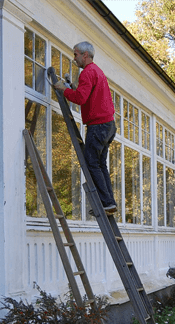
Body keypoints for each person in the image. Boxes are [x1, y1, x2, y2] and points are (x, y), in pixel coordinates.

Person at [54, 41, 117, 215]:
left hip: (98, 126)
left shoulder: (87, 72)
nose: (74, 58)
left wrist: (63, 90)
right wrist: (72, 88)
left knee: (91, 163)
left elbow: (81, 98)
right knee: (100, 164)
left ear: (85, 55)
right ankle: (109, 203)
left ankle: (106, 202)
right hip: (108, 125)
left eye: (76, 54)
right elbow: (87, 96)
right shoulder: (97, 72)